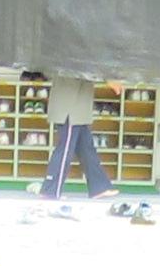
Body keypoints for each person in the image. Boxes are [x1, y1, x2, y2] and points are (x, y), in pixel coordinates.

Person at [44, 71, 111, 200]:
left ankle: (99, 187)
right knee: (65, 150)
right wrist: (107, 78)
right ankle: (51, 190)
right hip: (70, 106)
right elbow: (84, 67)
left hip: (78, 105)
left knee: (86, 148)